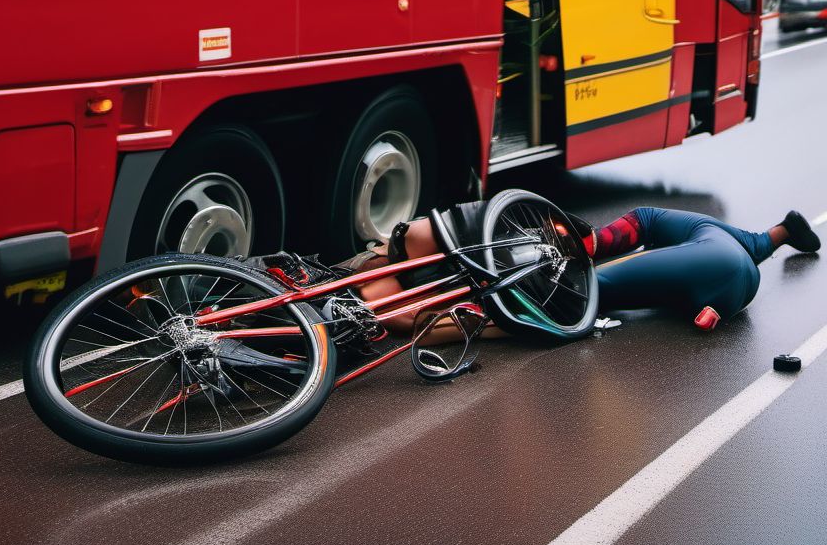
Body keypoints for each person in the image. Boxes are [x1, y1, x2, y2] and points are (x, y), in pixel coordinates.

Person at [349, 202, 821, 334]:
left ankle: (406, 314)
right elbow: (752, 248)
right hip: (733, 289)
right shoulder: (732, 243)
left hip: (720, 281)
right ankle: (786, 231)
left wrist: (593, 244)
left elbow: (644, 221)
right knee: (757, 245)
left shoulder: (701, 230)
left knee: (581, 296)